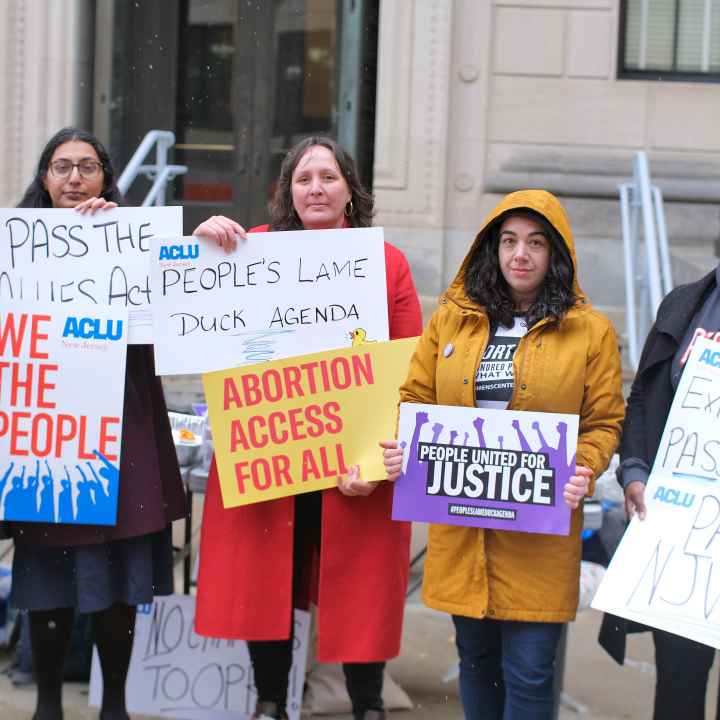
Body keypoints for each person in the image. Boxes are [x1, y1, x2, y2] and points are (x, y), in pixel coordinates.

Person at [192, 136, 423, 720]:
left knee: (360, 585)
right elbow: (196, 315)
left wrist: (372, 464)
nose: (315, 188)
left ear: (350, 190)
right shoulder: (249, 249)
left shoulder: (386, 263)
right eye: (302, 178)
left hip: (355, 462)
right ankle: (269, 702)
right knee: (268, 579)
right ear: (286, 192)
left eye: (327, 177)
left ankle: (366, 704)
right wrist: (202, 248)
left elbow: (408, 369)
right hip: (274, 450)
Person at [381, 190, 624, 720]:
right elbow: (415, 398)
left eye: (536, 243)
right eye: (509, 241)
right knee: (476, 660)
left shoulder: (592, 332)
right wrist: (405, 446)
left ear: (555, 254)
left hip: (539, 532)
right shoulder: (452, 320)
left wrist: (583, 466)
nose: (521, 254)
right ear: (491, 249)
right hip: (463, 529)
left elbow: (604, 422)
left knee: (532, 672)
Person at [9, 127, 186, 720]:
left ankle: (115, 706)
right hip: (49, 435)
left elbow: (179, 313)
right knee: (47, 573)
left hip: (123, 424)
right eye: (61, 167)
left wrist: (122, 240)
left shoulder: (136, 239)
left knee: (117, 572)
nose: (74, 177)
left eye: (87, 166)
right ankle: (49, 706)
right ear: (44, 178)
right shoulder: (16, 248)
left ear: (107, 176)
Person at [598, 264, 720, 720]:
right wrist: (633, 471)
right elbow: (645, 397)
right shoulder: (687, 304)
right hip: (686, 536)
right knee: (679, 682)